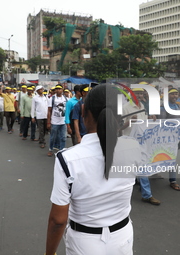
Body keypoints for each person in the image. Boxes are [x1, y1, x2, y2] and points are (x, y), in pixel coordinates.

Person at [45, 85, 142, 255]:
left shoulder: (67, 159)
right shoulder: (133, 148)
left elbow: (58, 220)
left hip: (84, 242)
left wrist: (49, 253)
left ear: (84, 112)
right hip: (122, 237)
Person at [121, 88, 160, 205]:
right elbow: (119, 127)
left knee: (142, 165)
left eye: (141, 93)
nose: (139, 95)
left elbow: (143, 122)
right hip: (128, 141)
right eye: (136, 93)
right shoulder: (125, 108)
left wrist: (150, 118)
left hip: (141, 141)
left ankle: (146, 194)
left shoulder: (142, 106)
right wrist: (129, 122)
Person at [160, 88, 180, 191]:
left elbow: (177, 117)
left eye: (176, 94)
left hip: (176, 136)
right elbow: (162, 123)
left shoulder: (177, 106)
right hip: (167, 137)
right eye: (172, 94)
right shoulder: (164, 107)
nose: (175, 96)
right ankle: (172, 180)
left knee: (171, 157)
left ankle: (172, 180)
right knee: (169, 157)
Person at [47, 84, 68, 157]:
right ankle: (50, 149)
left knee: (63, 137)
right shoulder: (52, 99)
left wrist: (68, 121)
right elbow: (49, 111)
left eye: (60, 89)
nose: (58, 90)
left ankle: (61, 151)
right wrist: (48, 122)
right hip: (54, 121)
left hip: (63, 121)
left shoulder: (65, 98)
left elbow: (67, 110)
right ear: (55, 90)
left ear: (62, 90)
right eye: (57, 89)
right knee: (53, 137)